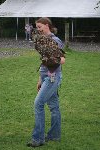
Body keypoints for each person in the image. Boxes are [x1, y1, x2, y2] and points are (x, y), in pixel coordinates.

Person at [27, 17, 65, 147]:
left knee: (38, 104)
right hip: (45, 76)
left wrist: (58, 58)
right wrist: (40, 79)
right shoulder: (42, 40)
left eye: (39, 27)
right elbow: (43, 60)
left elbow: (62, 59)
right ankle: (54, 135)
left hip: (53, 76)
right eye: (37, 28)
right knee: (54, 107)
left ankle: (38, 139)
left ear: (47, 25)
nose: (38, 30)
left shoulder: (55, 40)